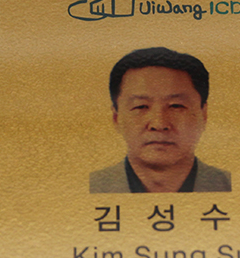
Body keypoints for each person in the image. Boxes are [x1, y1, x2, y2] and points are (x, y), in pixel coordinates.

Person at [90, 47, 231, 193]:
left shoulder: (234, 186)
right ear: (116, 118)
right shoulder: (87, 189)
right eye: (141, 106)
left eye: (176, 106)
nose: (159, 124)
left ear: (203, 115)